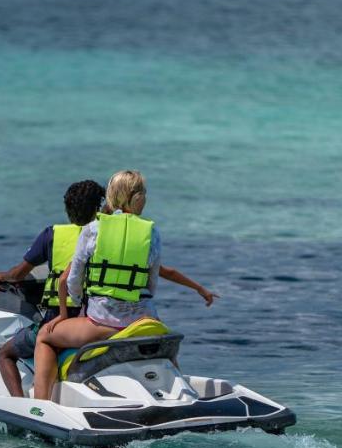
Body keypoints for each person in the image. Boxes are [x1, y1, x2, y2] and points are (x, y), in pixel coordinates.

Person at [32, 169, 217, 401]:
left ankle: (40, 405)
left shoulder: (92, 230)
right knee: (164, 350)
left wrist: (78, 304)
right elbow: (151, 284)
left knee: (44, 337)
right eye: (145, 193)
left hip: (102, 324)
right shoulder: (151, 232)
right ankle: (183, 397)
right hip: (146, 321)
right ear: (138, 198)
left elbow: (73, 280)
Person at [0, 179, 106, 397]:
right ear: (97, 207)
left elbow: (18, 275)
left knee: (6, 353)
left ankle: (20, 406)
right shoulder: (106, 236)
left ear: (68, 209)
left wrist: (3, 276)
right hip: (95, 319)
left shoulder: (52, 235)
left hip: (58, 320)